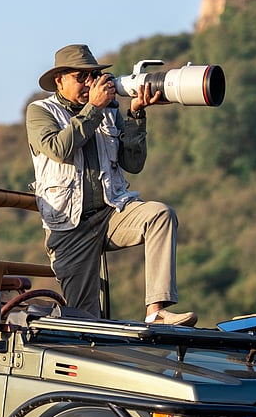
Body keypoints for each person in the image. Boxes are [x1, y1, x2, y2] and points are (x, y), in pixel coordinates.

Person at [26, 44, 197, 326]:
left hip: (111, 212)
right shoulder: (40, 112)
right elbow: (59, 149)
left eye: (93, 76)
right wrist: (94, 107)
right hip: (70, 227)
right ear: (60, 80)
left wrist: (136, 116)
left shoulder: (108, 110)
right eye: (81, 77)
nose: (89, 83)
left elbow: (133, 164)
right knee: (86, 320)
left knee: (160, 215)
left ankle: (156, 312)